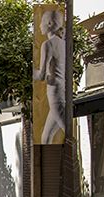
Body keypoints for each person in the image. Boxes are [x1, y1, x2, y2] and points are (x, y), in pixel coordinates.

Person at [33, 9, 66, 145]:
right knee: (45, 138)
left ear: (50, 24)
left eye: (42, 22)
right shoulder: (64, 44)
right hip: (61, 91)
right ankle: (49, 160)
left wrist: (32, 71)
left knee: (68, 132)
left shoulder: (47, 44)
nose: (40, 26)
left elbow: (41, 75)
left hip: (55, 94)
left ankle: (75, 158)